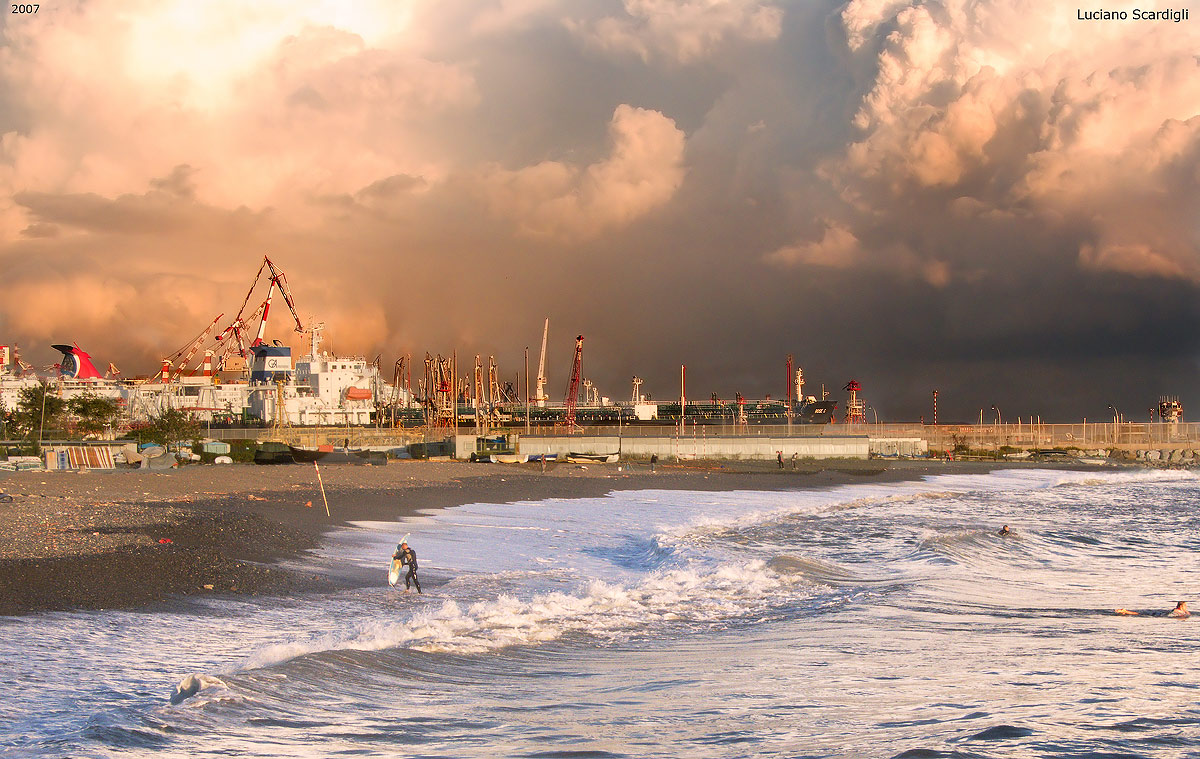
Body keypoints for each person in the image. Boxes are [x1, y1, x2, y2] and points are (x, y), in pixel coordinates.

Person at [1115, 601, 1189, 618]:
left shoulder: (1178, 610)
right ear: (1181, 606)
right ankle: (1125, 611)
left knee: (1141, 614)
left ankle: (1126, 611)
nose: (1186, 607)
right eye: (1185, 606)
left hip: (1159, 614)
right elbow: (1170, 616)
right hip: (1159, 615)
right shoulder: (1177, 611)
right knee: (1140, 614)